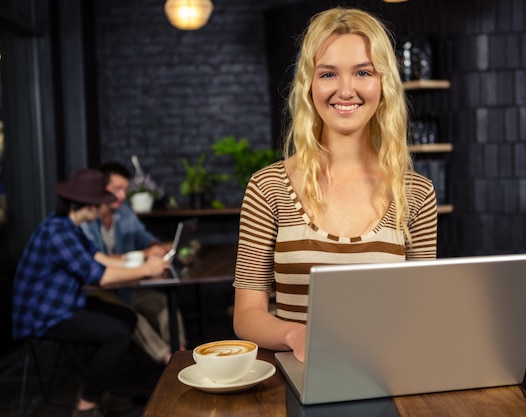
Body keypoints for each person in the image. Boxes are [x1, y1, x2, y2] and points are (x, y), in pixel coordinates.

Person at [232, 7, 438, 362]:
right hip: (296, 377)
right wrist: (296, 335)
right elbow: (247, 314)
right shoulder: (267, 187)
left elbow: (423, 309)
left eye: (362, 72)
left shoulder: (417, 192)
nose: (346, 90)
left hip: (387, 371)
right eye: (328, 73)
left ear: (382, 83)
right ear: (309, 84)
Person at [12, 169, 171, 417]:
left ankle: (99, 387)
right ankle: (88, 401)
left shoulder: (69, 226)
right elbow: (101, 275)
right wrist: (145, 269)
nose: (104, 209)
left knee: (126, 317)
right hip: (45, 315)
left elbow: (102, 259)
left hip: (67, 304)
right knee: (117, 333)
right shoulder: (58, 231)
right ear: (89, 206)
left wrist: (145, 263)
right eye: (101, 204)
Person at [81, 161, 186, 365]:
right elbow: (96, 260)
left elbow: (146, 238)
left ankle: (180, 354)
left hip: (129, 287)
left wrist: (154, 247)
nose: (122, 195)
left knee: (166, 306)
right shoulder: (85, 219)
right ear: (100, 189)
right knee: (132, 317)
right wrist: (145, 258)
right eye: (116, 189)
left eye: (125, 190)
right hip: (100, 291)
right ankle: (169, 361)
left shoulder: (125, 213)